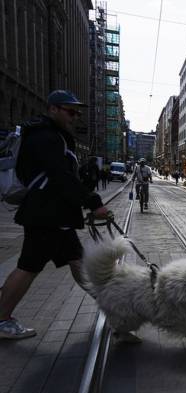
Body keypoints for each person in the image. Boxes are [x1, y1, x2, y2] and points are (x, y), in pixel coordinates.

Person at [0, 90, 111, 339]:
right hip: (46, 215)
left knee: (79, 262)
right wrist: (93, 202)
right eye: (70, 111)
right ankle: (2, 318)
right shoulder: (47, 137)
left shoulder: (52, 135)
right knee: (28, 267)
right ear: (53, 109)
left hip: (56, 215)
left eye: (76, 112)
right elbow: (61, 176)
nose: (74, 117)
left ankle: (113, 308)